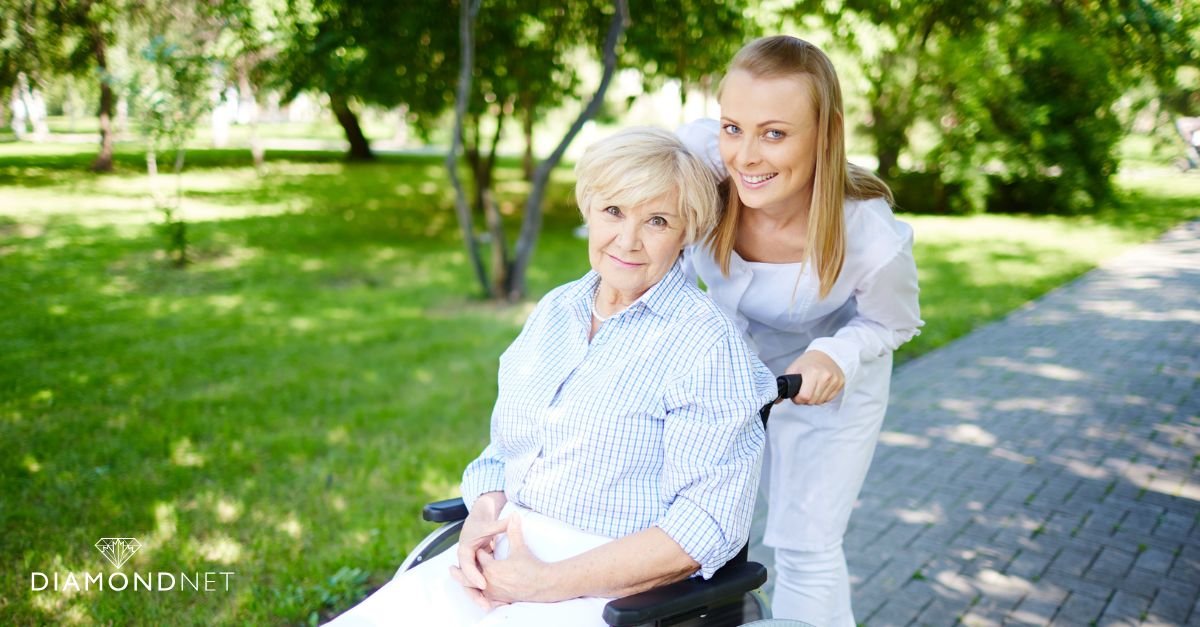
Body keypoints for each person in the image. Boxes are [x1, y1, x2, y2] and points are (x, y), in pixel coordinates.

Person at [327, 127, 778, 626]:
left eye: (656, 220)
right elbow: (506, 449)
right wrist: (482, 516)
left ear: (686, 230)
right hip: (500, 556)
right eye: (613, 212)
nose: (627, 240)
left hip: (612, 589)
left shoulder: (706, 346)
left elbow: (706, 527)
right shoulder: (556, 311)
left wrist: (545, 582)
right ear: (588, 209)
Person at [677, 35, 924, 626]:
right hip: (724, 361)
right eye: (733, 127)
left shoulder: (870, 236)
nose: (745, 156)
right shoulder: (700, 163)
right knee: (683, 525)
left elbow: (894, 322)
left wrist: (837, 352)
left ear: (828, 132)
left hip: (828, 382)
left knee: (804, 542)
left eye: (775, 133)